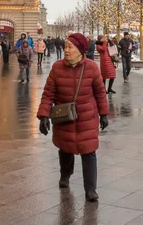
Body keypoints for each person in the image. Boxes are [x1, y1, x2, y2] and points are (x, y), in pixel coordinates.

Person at [36, 33, 109, 202]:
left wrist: (104, 114)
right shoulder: (57, 68)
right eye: (65, 47)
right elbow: (48, 94)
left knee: (89, 152)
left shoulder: (91, 67)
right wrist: (43, 116)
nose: (66, 50)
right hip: (64, 117)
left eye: (70, 47)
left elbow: (100, 93)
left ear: (80, 50)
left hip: (87, 117)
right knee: (66, 149)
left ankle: (91, 189)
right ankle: (65, 175)